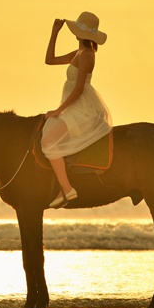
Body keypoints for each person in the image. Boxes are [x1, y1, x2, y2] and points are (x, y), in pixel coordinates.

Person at [42, 12, 113, 208]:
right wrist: (54, 33)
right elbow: (49, 60)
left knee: (48, 141)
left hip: (81, 109)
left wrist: (58, 111)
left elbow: (79, 88)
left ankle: (67, 189)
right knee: (52, 138)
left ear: (80, 33)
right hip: (74, 106)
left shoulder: (87, 55)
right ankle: (61, 188)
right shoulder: (78, 53)